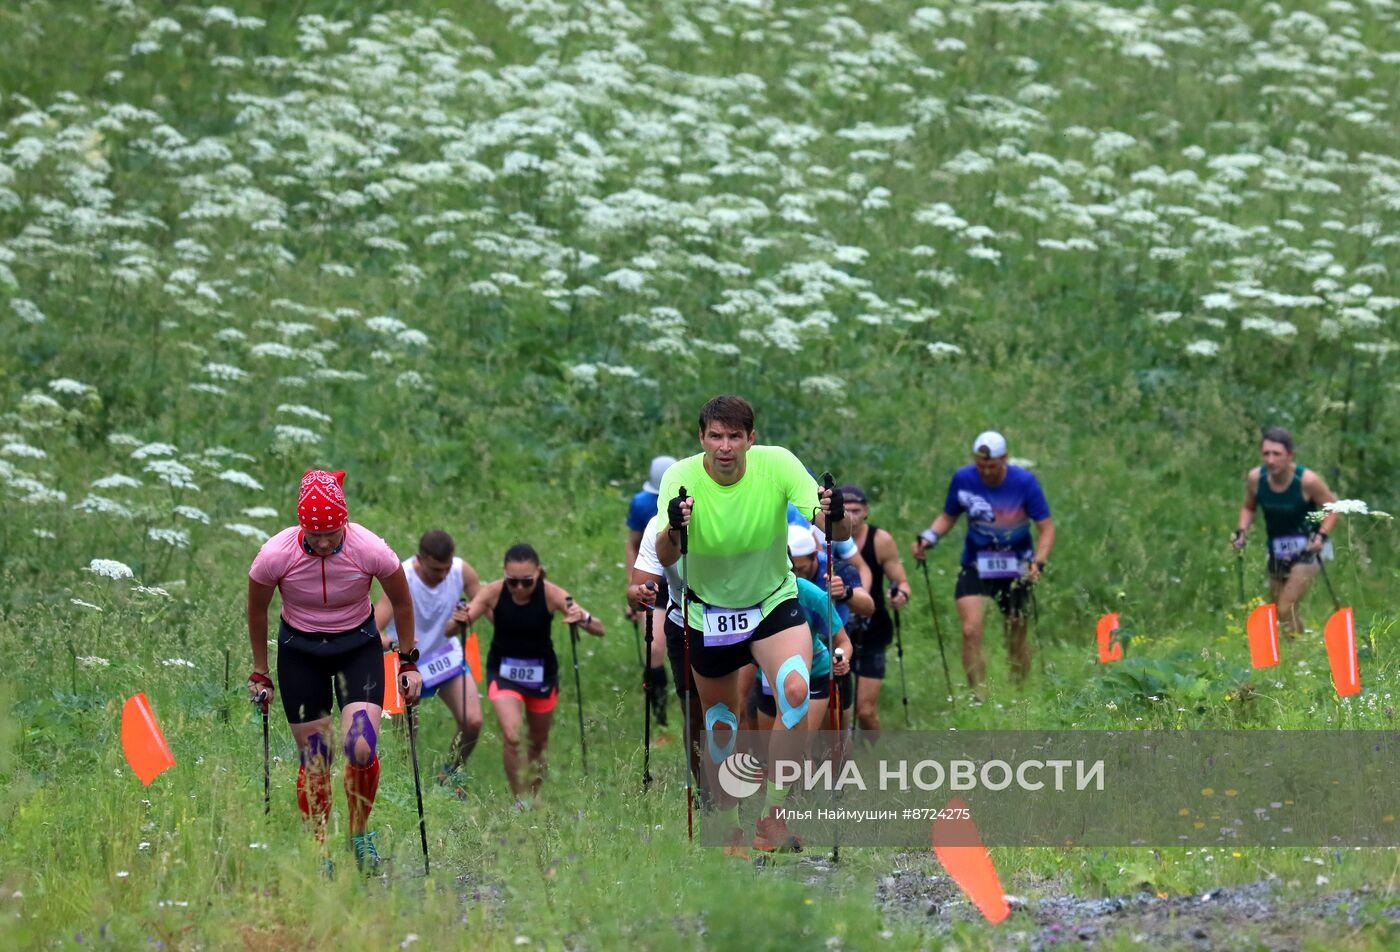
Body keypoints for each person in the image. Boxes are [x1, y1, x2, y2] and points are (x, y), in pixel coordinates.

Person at [656, 394, 848, 855]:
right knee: (721, 722)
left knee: (797, 691)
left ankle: (772, 817)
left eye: (735, 437)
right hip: (710, 612)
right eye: (716, 436)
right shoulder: (679, 478)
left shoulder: (777, 464)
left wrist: (834, 512)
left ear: (751, 439)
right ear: (701, 438)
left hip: (770, 602)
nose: (725, 447)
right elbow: (666, 557)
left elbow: (831, 530)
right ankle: (727, 824)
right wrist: (673, 528)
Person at [245, 469, 421, 872]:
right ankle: (319, 849)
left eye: (331, 533)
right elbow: (257, 609)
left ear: (344, 521)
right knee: (317, 756)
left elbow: (402, 600)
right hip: (300, 651)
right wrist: (259, 670)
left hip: (356, 647)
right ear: (300, 525)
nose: (323, 543)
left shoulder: (370, 547)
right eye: (314, 534)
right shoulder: (276, 554)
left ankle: (359, 834)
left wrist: (409, 661)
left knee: (360, 747)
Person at [459, 543, 603, 804]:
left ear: (539, 573)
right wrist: (458, 618)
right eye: (512, 582)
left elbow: (599, 628)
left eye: (527, 582)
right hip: (503, 672)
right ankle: (520, 802)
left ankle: (535, 797)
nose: (520, 588)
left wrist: (582, 616)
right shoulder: (492, 592)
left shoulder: (551, 594)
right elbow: (458, 624)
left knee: (537, 742)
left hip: (542, 675)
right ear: (504, 574)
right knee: (513, 737)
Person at [912, 432, 1053, 695]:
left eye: (992, 466)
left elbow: (1046, 528)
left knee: (1015, 635)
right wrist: (928, 537)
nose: (986, 471)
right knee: (970, 629)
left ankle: (1018, 692)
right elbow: (948, 515)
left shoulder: (1025, 482)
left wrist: (1039, 562)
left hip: (1017, 567)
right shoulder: (964, 478)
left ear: (1005, 459)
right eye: (981, 466)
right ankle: (979, 696)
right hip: (977, 564)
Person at [375, 530, 483, 796]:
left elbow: (484, 601)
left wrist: (466, 617)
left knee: (473, 722)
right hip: (408, 661)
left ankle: (450, 776)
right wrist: (391, 644)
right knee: (407, 737)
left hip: (445, 656)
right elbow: (376, 628)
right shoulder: (401, 576)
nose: (443, 575)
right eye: (436, 569)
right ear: (420, 559)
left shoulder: (461, 571)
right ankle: (407, 786)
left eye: (447, 568)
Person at [1233, 427, 1340, 636]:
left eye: (1277, 454)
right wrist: (1242, 531)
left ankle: (1295, 657)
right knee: (1279, 609)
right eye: (1266, 454)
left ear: (1290, 455)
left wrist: (1321, 536)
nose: (1270, 460)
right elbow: (1249, 506)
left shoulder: (1306, 480)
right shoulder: (1256, 478)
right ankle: (1299, 655)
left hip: (1309, 547)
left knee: (1285, 606)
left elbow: (1333, 508)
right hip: (1277, 548)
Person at [628, 514, 705, 796]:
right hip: (683, 620)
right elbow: (635, 589)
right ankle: (705, 792)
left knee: (735, 708)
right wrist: (640, 595)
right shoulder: (657, 523)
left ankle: (742, 792)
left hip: (739, 617)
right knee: (694, 714)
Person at [749, 526, 854, 732]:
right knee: (768, 754)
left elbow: (843, 641)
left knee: (799, 746)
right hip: (768, 679)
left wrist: (842, 659)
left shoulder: (812, 594)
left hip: (814, 674)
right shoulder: (750, 595)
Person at [840, 485, 912, 733]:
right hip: (836, 627)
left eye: (857, 510)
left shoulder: (880, 540)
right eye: (846, 510)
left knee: (866, 711)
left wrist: (901, 594)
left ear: (867, 511)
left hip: (873, 628)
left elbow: (901, 580)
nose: (851, 516)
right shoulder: (825, 538)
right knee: (837, 708)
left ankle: (874, 751)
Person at [626, 455, 676, 727]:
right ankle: (660, 717)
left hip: (686, 585)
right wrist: (632, 586)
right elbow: (632, 545)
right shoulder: (642, 504)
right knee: (655, 649)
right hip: (656, 586)